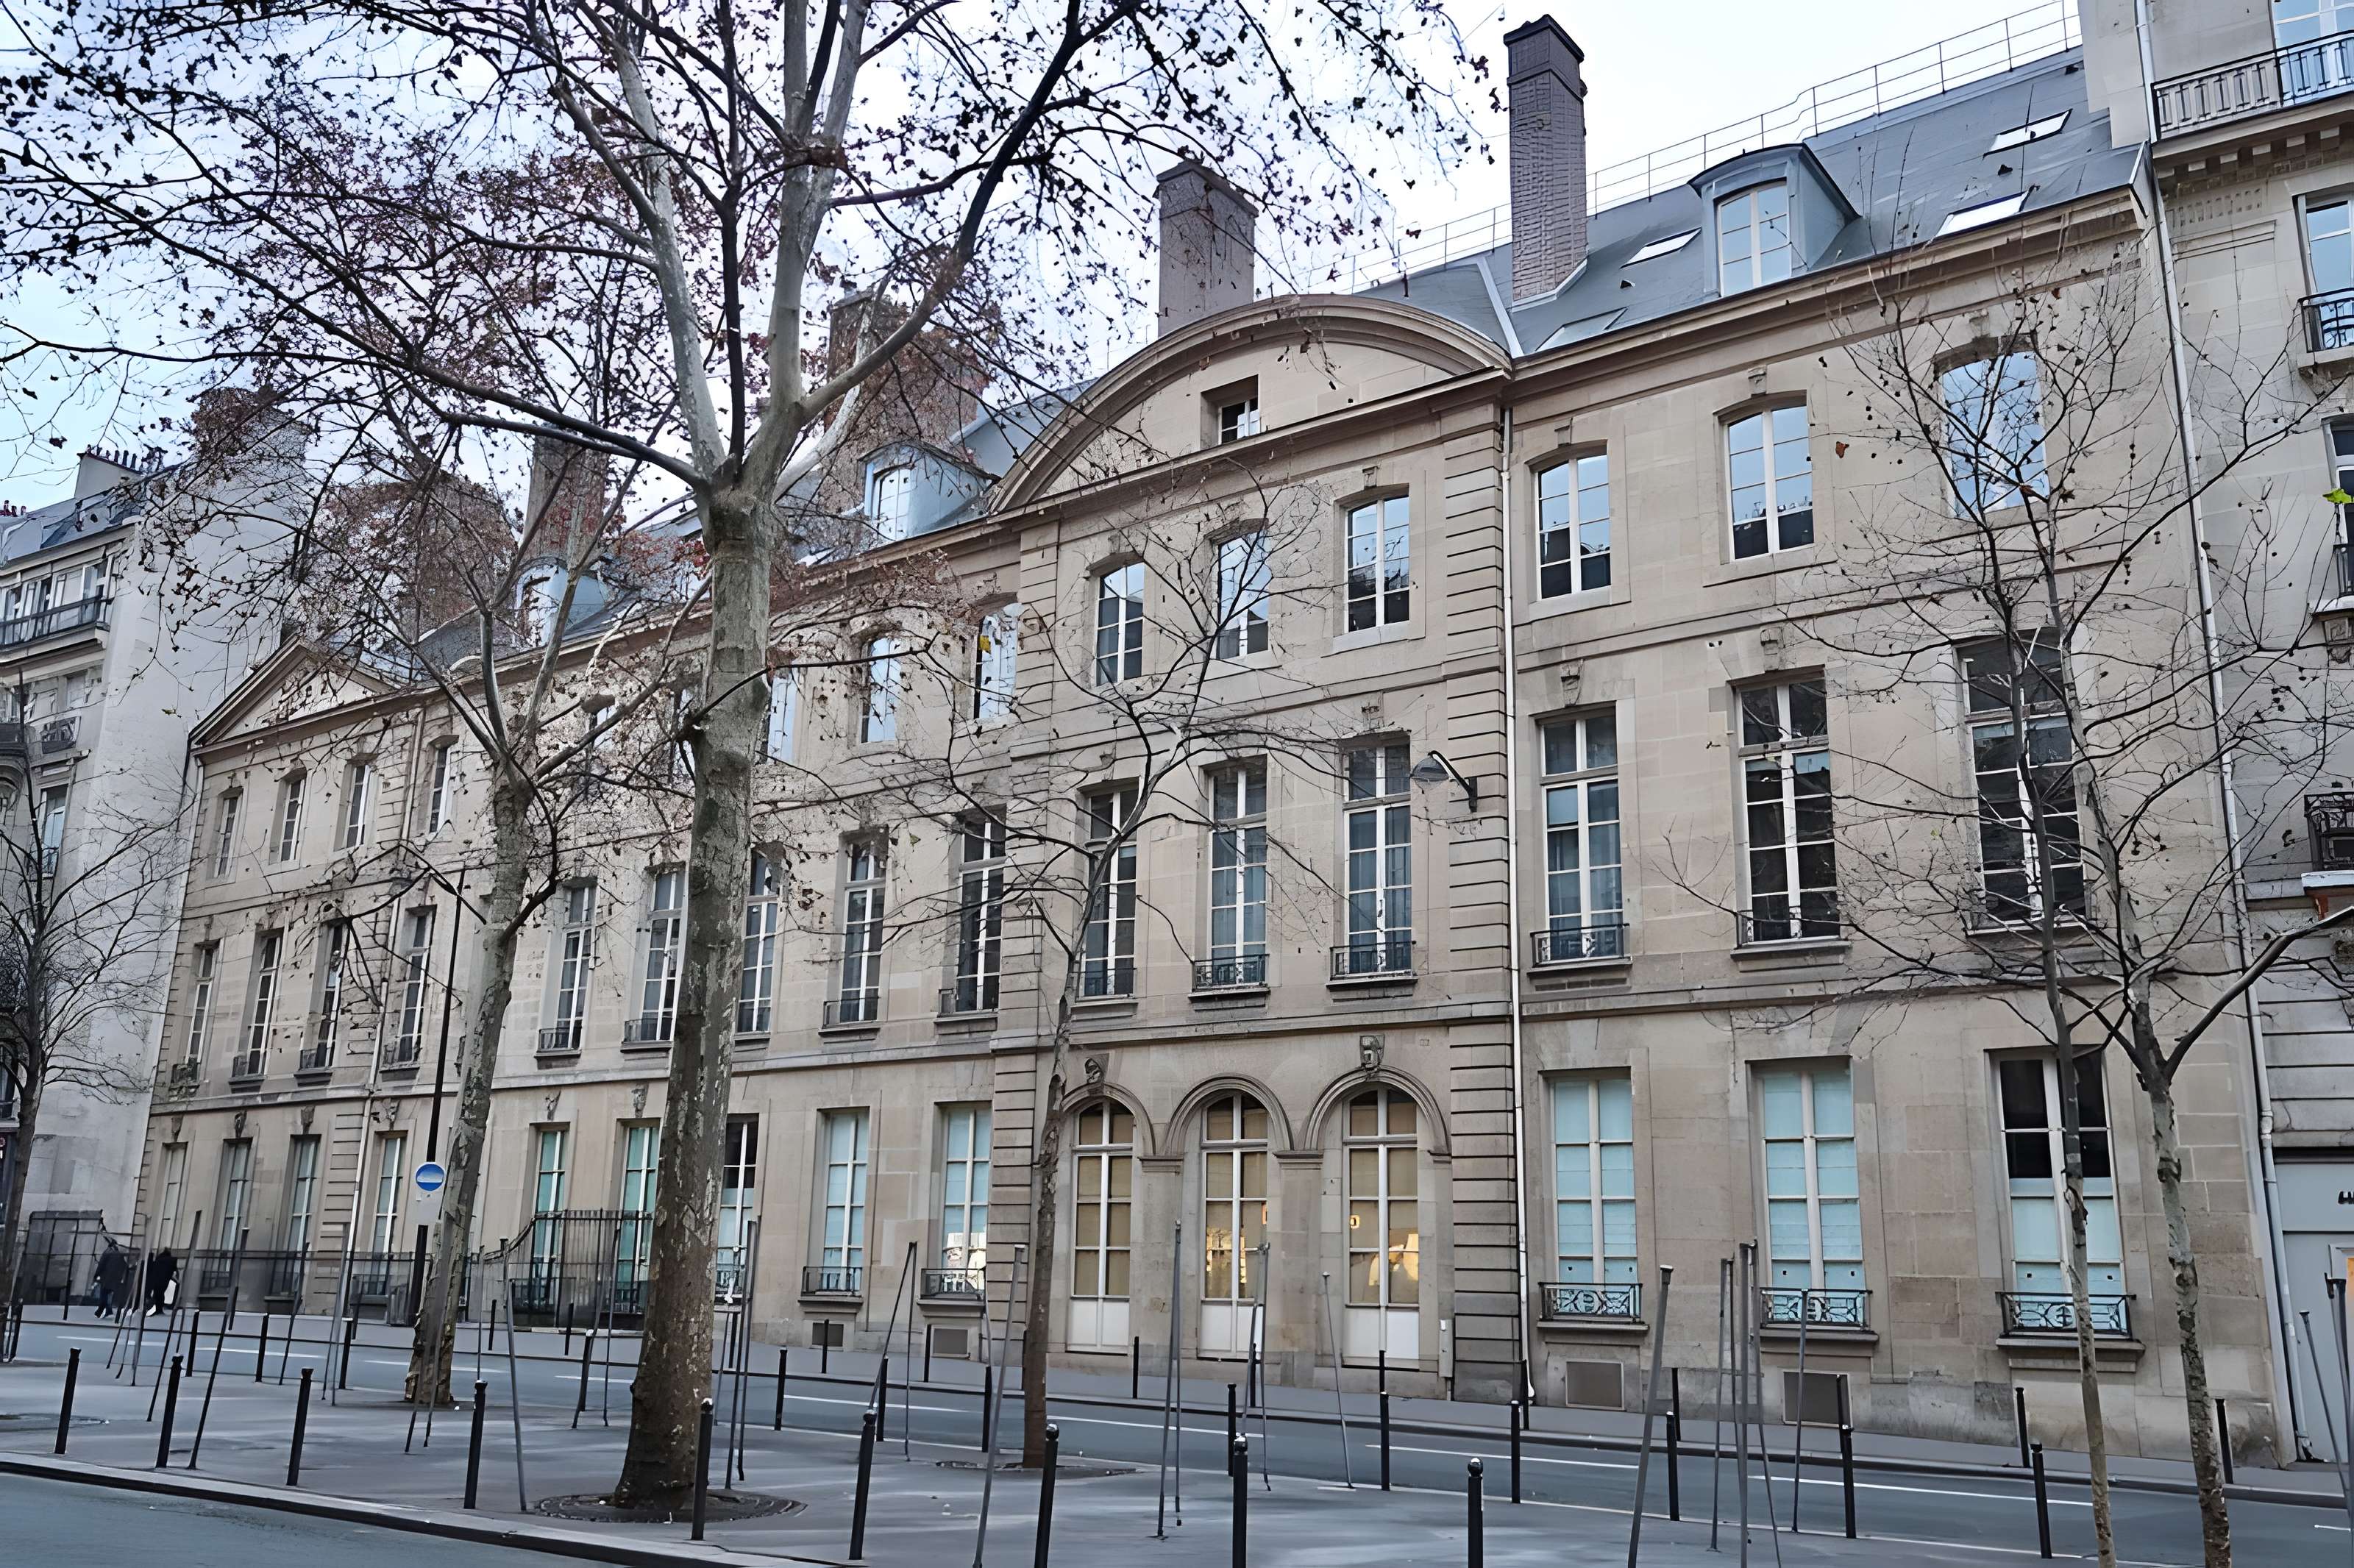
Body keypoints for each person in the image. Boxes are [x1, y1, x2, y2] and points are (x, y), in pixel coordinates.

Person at [91, 1239, 129, 1319]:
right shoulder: (121, 1254)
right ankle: (106, 1310)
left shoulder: (108, 1252)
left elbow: (101, 1264)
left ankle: (104, 1310)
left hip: (106, 1277)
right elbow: (124, 1266)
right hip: (116, 1278)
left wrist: (96, 1275)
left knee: (104, 1293)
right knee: (109, 1294)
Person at [144, 1247, 177, 1316]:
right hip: (165, 1281)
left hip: (156, 1280)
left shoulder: (159, 1260)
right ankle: (158, 1309)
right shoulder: (171, 1261)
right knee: (160, 1294)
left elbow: (153, 1270)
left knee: (156, 1294)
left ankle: (151, 1308)